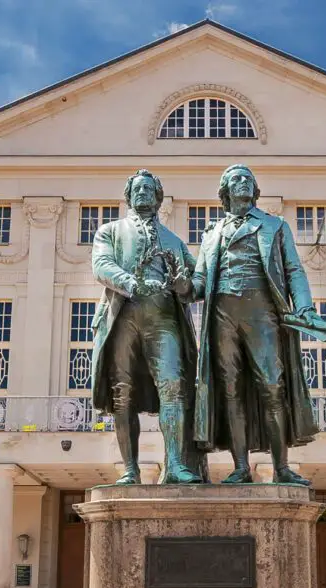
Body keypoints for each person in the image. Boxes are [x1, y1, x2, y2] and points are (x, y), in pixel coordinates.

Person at [192, 164, 318, 485]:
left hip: (262, 310)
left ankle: (282, 468)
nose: (244, 182)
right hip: (222, 313)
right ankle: (240, 467)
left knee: (273, 386)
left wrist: (303, 304)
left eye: (248, 178)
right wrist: (176, 285)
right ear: (225, 191)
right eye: (236, 178)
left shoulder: (275, 225)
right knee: (230, 390)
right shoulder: (213, 232)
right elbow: (199, 280)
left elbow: (294, 270)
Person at [91, 169, 202, 484]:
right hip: (124, 315)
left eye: (148, 189)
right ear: (129, 196)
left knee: (173, 388)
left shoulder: (174, 241)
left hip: (164, 318)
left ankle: (177, 465)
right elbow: (101, 265)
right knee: (122, 393)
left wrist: (185, 286)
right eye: (137, 189)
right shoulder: (110, 231)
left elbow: (197, 281)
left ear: (158, 197)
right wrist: (130, 282)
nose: (142, 193)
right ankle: (130, 468)